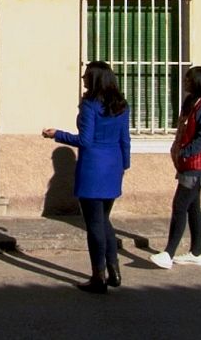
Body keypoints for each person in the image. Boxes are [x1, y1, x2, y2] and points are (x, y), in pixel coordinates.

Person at [42, 61, 130, 294]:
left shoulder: (90, 105)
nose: (83, 79)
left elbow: (85, 140)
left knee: (94, 225)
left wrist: (57, 134)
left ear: (95, 79)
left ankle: (98, 276)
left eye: (86, 76)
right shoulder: (121, 105)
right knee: (105, 220)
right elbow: (125, 140)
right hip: (113, 166)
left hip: (93, 167)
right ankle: (114, 270)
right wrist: (124, 165)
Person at [150, 66, 201, 270]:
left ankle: (168, 253)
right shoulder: (194, 101)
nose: (185, 82)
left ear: (199, 82)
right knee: (193, 207)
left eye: (189, 80)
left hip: (197, 165)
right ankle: (196, 253)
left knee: (180, 206)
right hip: (189, 163)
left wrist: (184, 152)